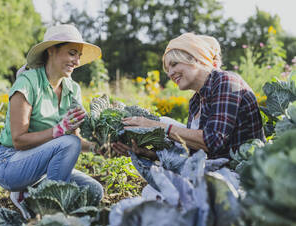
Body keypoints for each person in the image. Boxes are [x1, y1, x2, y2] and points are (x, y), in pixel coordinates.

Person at [0, 24, 104, 219]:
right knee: (68, 141)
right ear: (51, 50)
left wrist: (100, 147)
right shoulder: (27, 83)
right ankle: (48, 211)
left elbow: (76, 140)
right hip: (10, 163)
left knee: (94, 191)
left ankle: (29, 195)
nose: (76, 61)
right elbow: (19, 140)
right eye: (72, 53)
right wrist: (59, 130)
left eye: (78, 55)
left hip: (43, 171)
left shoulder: (73, 89)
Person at [112, 32, 265, 160]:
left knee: (163, 121)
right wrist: (146, 153)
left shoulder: (226, 82)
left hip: (241, 175)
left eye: (174, 64)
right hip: (214, 170)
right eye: (167, 69)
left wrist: (156, 126)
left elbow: (212, 141)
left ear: (195, 58)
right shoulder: (196, 101)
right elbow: (194, 153)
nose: (170, 73)